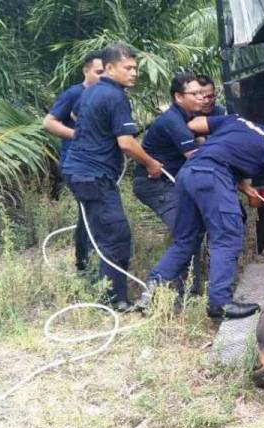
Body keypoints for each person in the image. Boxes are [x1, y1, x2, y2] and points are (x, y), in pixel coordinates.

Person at [145, 114, 264, 320]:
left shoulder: (237, 121)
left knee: (186, 239)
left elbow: (194, 125)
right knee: (227, 238)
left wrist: (213, 150)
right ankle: (220, 304)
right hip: (213, 178)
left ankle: (151, 290)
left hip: (188, 174)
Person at [62, 42, 163, 312]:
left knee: (97, 230)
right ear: (109, 68)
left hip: (78, 171)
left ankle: (92, 280)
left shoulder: (91, 91)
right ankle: (113, 300)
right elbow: (127, 144)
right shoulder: (116, 97)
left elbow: (74, 115)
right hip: (94, 175)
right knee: (116, 235)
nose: (134, 73)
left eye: (135, 68)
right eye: (128, 68)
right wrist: (152, 164)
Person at [133, 72, 224, 303]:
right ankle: (158, 291)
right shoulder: (173, 121)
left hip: (173, 183)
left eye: (203, 94)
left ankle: (188, 291)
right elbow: (196, 157)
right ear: (178, 97)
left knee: (192, 232)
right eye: (195, 94)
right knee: (187, 234)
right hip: (156, 185)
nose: (202, 98)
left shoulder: (186, 118)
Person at [43, 50, 104, 271]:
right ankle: (84, 264)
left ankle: (88, 262)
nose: (102, 75)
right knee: (88, 213)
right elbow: (49, 123)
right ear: (85, 70)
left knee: (89, 213)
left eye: (106, 71)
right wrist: (77, 135)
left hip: (98, 165)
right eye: (98, 71)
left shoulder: (106, 94)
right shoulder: (74, 93)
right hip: (77, 164)